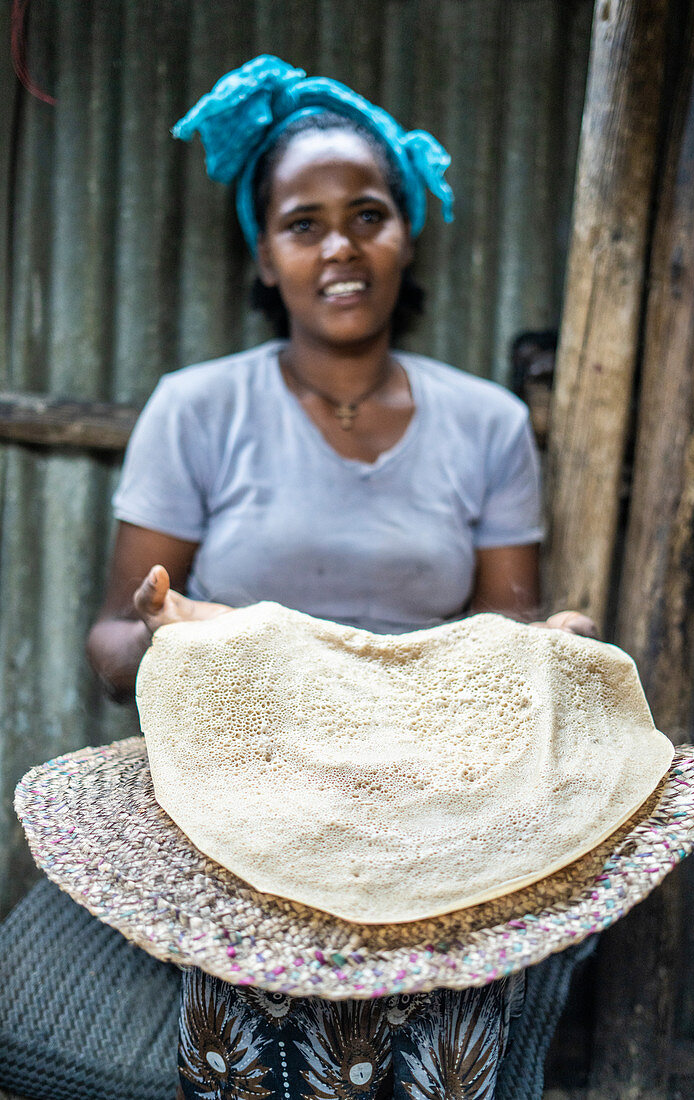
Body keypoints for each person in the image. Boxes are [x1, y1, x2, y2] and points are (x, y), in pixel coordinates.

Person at [86, 56, 595, 1100]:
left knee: (444, 1050)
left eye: (367, 214)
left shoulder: (487, 423)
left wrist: (550, 644)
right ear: (264, 256)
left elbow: (507, 631)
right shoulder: (196, 408)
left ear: (408, 231)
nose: (339, 247)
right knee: (245, 1054)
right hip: (243, 788)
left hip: (426, 789)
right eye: (301, 222)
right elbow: (104, 651)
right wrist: (162, 632)